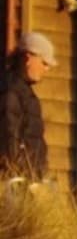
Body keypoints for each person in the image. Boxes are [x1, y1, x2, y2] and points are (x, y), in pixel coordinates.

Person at [0, 31, 55, 182]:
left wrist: (42, 177)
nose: (47, 69)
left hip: (30, 182)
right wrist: (15, 177)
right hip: (16, 184)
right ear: (28, 58)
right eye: (44, 62)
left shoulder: (28, 95)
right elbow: (9, 136)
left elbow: (35, 143)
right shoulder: (10, 91)